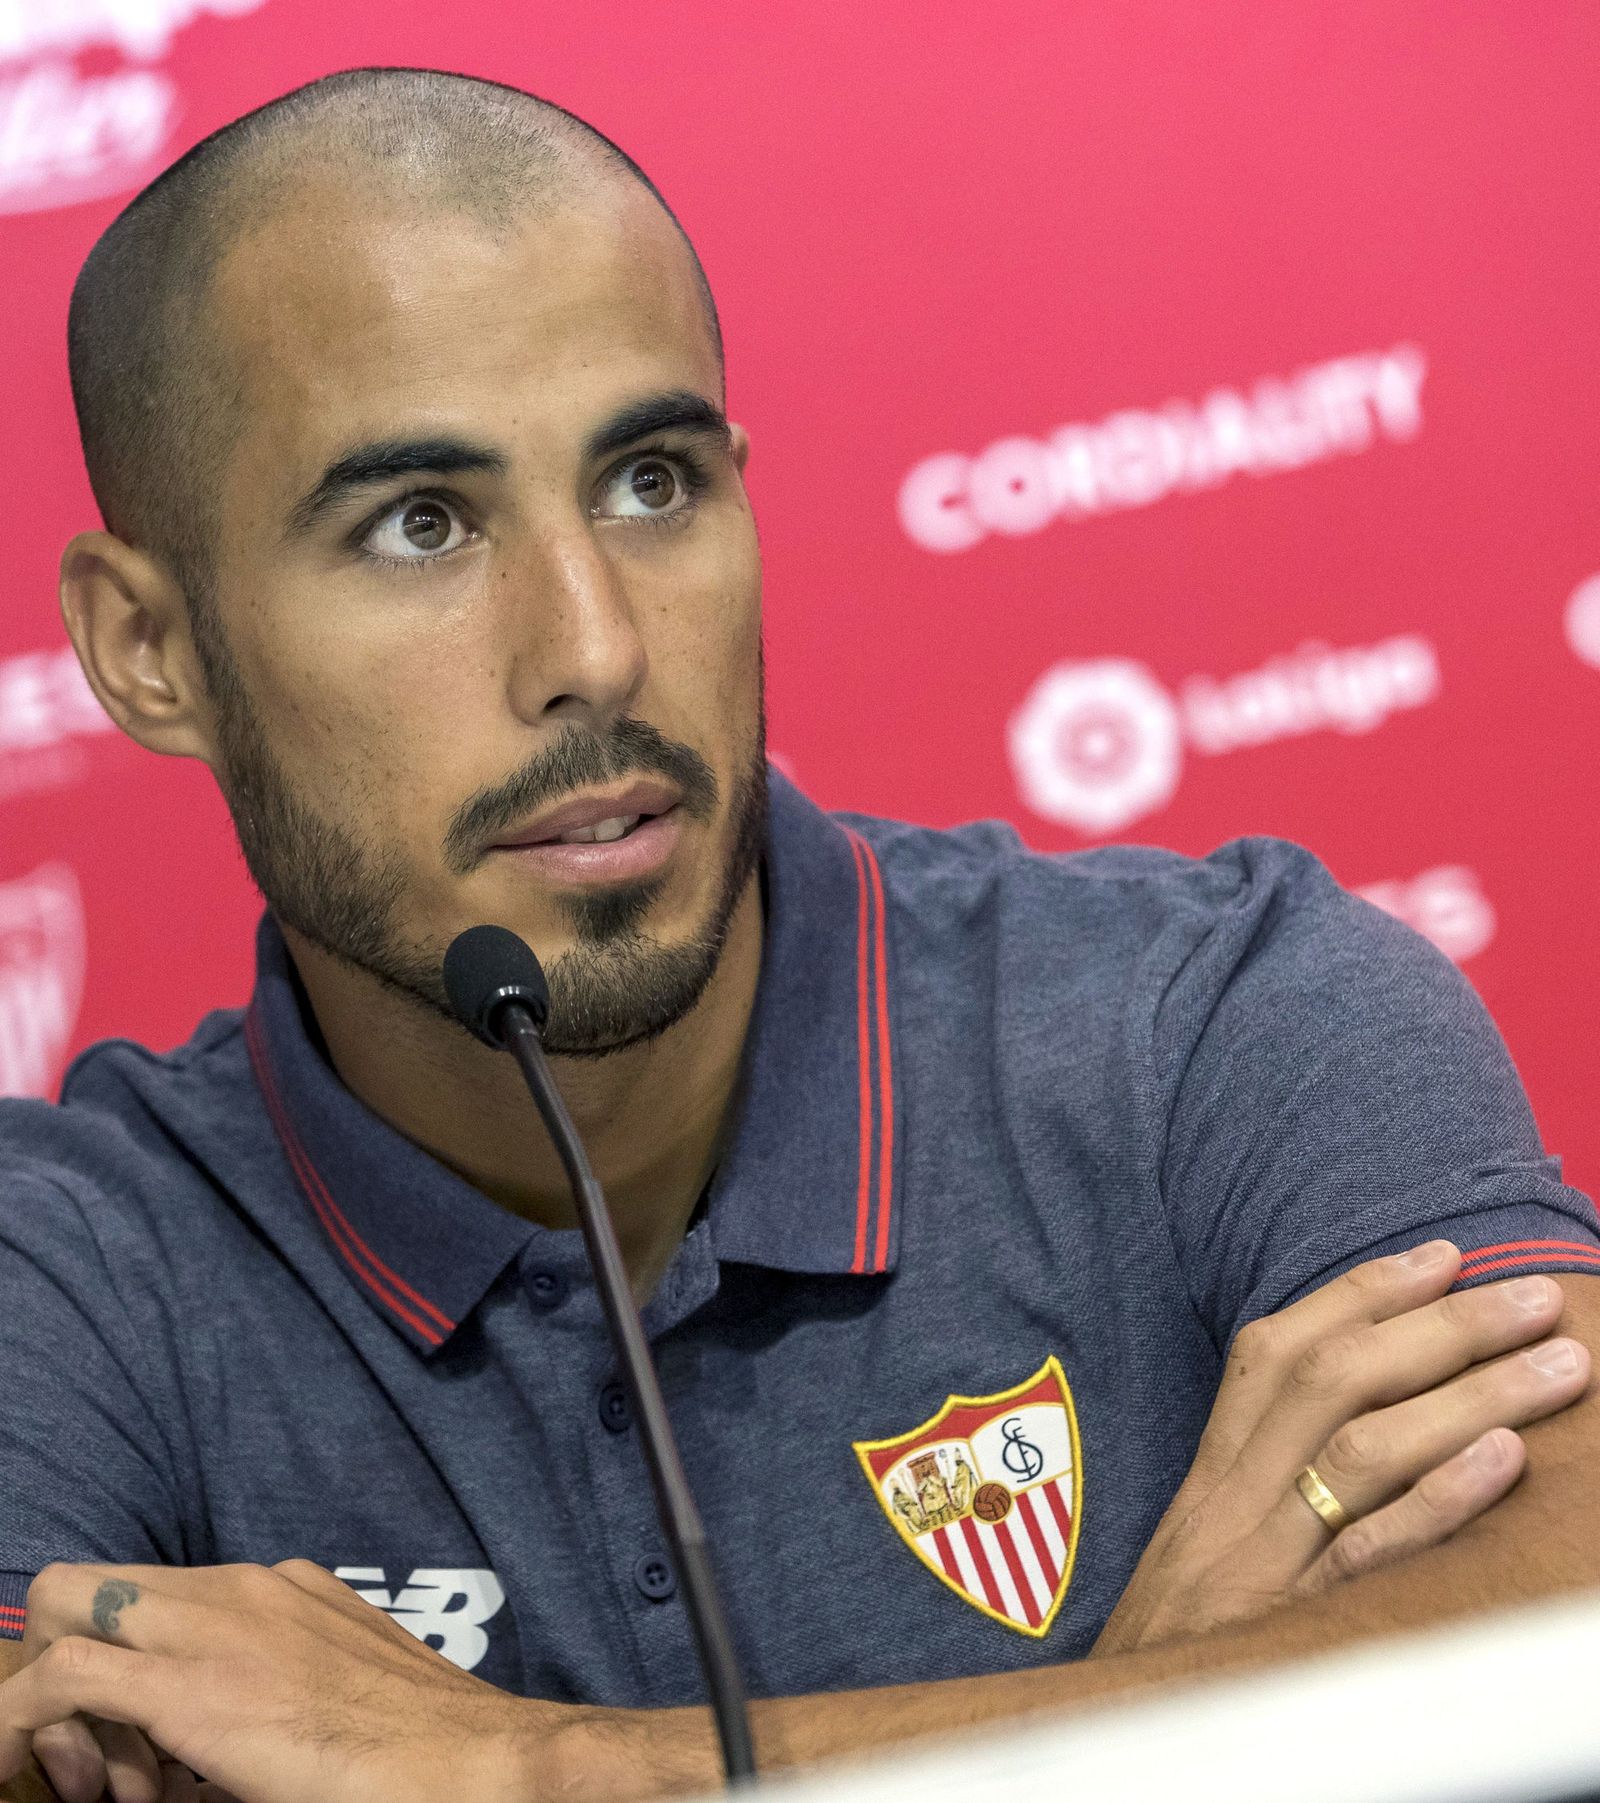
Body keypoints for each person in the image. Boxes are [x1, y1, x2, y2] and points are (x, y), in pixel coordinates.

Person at [1, 65, 1598, 1803]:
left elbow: (1569, 1608)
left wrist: (524, 1771)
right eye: (421, 525)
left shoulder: (1223, 1018)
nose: (595, 647)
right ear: (146, 647)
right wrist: (1169, 1715)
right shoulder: (65, 1279)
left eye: (651, 482)